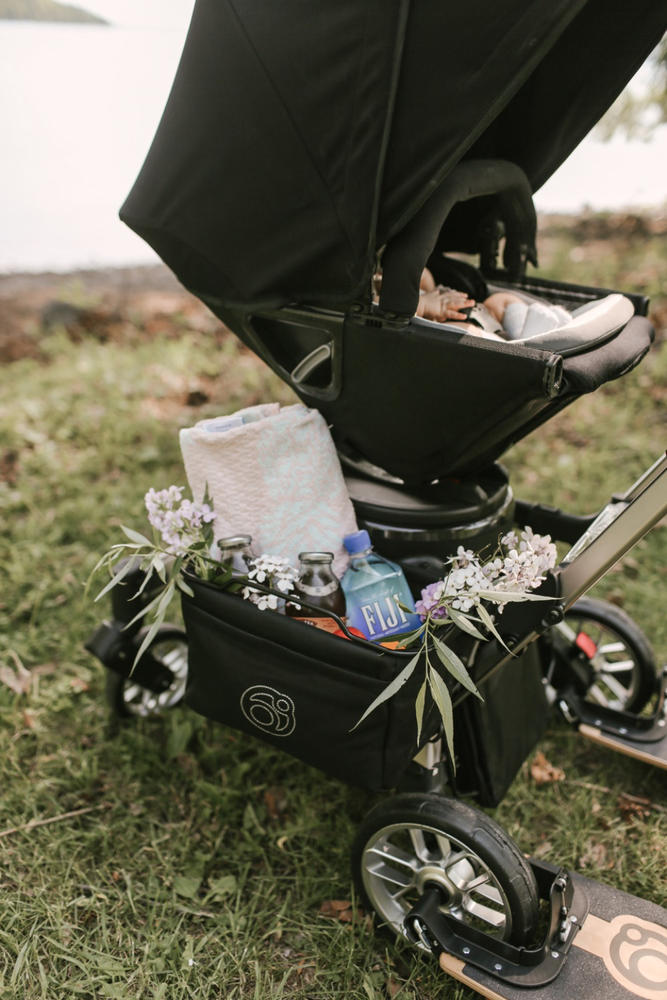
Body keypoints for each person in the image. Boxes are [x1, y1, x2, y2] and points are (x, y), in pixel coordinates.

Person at [414, 268, 571, 340]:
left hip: (483, 313)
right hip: (455, 331)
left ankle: (528, 329)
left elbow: (424, 275)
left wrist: (429, 290)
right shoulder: (394, 301)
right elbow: (394, 312)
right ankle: (522, 343)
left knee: (500, 299)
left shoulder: (409, 280)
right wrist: (423, 305)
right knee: (458, 334)